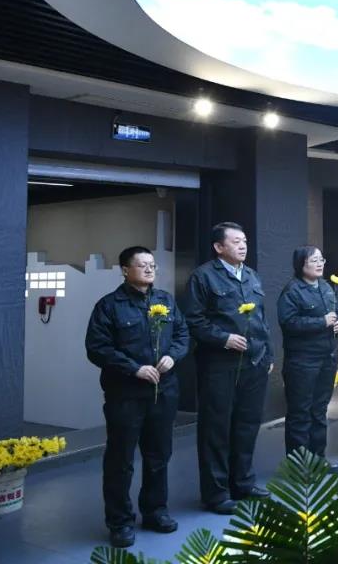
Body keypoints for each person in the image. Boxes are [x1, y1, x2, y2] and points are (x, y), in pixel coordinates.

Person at [85, 246, 189, 548]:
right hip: (125, 394)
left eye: (152, 264)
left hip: (164, 392)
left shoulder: (165, 301)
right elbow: (97, 348)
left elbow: (182, 335)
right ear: (125, 270)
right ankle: (120, 522)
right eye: (142, 265)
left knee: (159, 455)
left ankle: (155, 512)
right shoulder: (109, 306)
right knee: (121, 460)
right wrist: (134, 369)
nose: (149, 269)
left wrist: (173, 356)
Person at [186, 222, 273, 514]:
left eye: (244, 240)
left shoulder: (251, 275)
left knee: (247, 426)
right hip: (219, 365)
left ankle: (243, 483)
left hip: (254, 363)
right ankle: (216, 493)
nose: (243, 246)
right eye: (236, 241)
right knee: (216, 429)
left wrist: (268, 354)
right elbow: (194, 320)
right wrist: (223, 339)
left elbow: (261, 320)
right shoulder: (203, 276)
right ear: (219, 247)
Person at [277, 246, 338, 473]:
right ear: (301, 264)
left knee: (319, 411)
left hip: (327, 357)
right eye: (314, 260)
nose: (320, 263)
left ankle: (318, 459)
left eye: (321, 259)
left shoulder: (325, 286)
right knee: (300, 413)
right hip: (302, 361)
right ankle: (299, 466)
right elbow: (288, 323)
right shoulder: (292, 291)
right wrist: (321, 322)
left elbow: (335, 313)